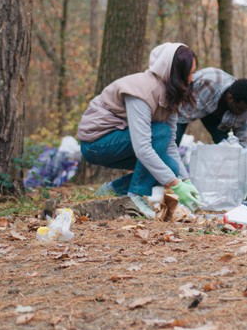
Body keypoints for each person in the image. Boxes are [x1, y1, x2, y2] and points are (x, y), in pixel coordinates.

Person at [77, 42, 202, 218]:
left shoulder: (171, 93)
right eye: (189, 73)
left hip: (122, 142)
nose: (191, 79)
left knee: (171, 167)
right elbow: (142, 147)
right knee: (161, 132)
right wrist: (175, 185)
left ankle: (112, 189)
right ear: (176, 72)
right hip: (97, 144)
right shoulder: (142, 91)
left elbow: (171, 144)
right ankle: (134, 195)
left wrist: (186, 181)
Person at [174, 67, 247, 147]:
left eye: (244, 110)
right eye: (239, 109)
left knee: (225, 144)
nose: (241, 113)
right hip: (197, 97)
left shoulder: (245, 108)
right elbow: (182, 115)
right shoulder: (207, 83)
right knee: (174, 138)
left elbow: (243, 139)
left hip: (216, 115)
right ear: (230, 98)